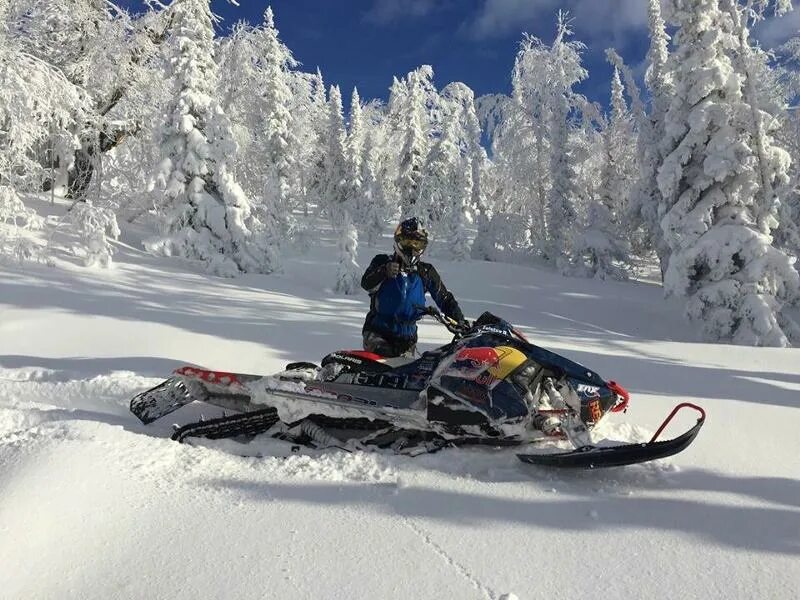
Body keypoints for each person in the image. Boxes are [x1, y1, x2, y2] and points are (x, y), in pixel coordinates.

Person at [361, 217, 465, 357]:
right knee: (385, 370)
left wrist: (460, 321)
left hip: (407, 338)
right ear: (399, 242)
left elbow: (445, 298)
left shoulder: (425, 272)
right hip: (379, 334)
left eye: (417, 244)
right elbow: (366, 283)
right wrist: (384, 271)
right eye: (408, 242)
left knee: (409, 375)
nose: (412, 248)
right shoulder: (382, 261)